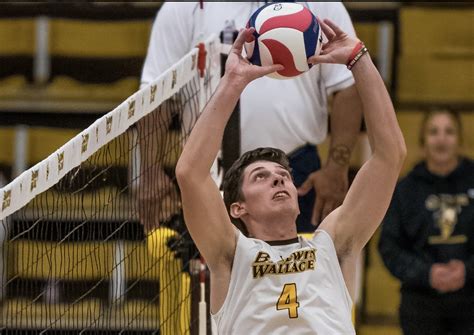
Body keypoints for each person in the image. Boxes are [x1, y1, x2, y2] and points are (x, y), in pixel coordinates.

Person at [175, 18, 406, 334]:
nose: (278, 179)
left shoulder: (333, 245)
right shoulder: (230, 253)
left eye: (283, 175)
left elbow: (390, 155)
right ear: (237, 208)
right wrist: (232, 84)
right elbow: (189, 173)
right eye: (260, 177)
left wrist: (358, 59)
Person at [141, 2, 363, 233]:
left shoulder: (320, 4)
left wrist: (337, 167)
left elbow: (346, 86)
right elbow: (155, 96)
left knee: (296, 268)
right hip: (208, 173)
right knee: (213, 267)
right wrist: (149, 172)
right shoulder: (183, 7)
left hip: (294, 170)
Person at [378, 110, 474, 335]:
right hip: (421, 301)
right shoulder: (404, 190)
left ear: (459, 139)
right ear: (423, 140)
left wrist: (467, 270)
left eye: (449, 132)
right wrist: (426, 273)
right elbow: (389, 247)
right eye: (434, 132)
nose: (441, 139)